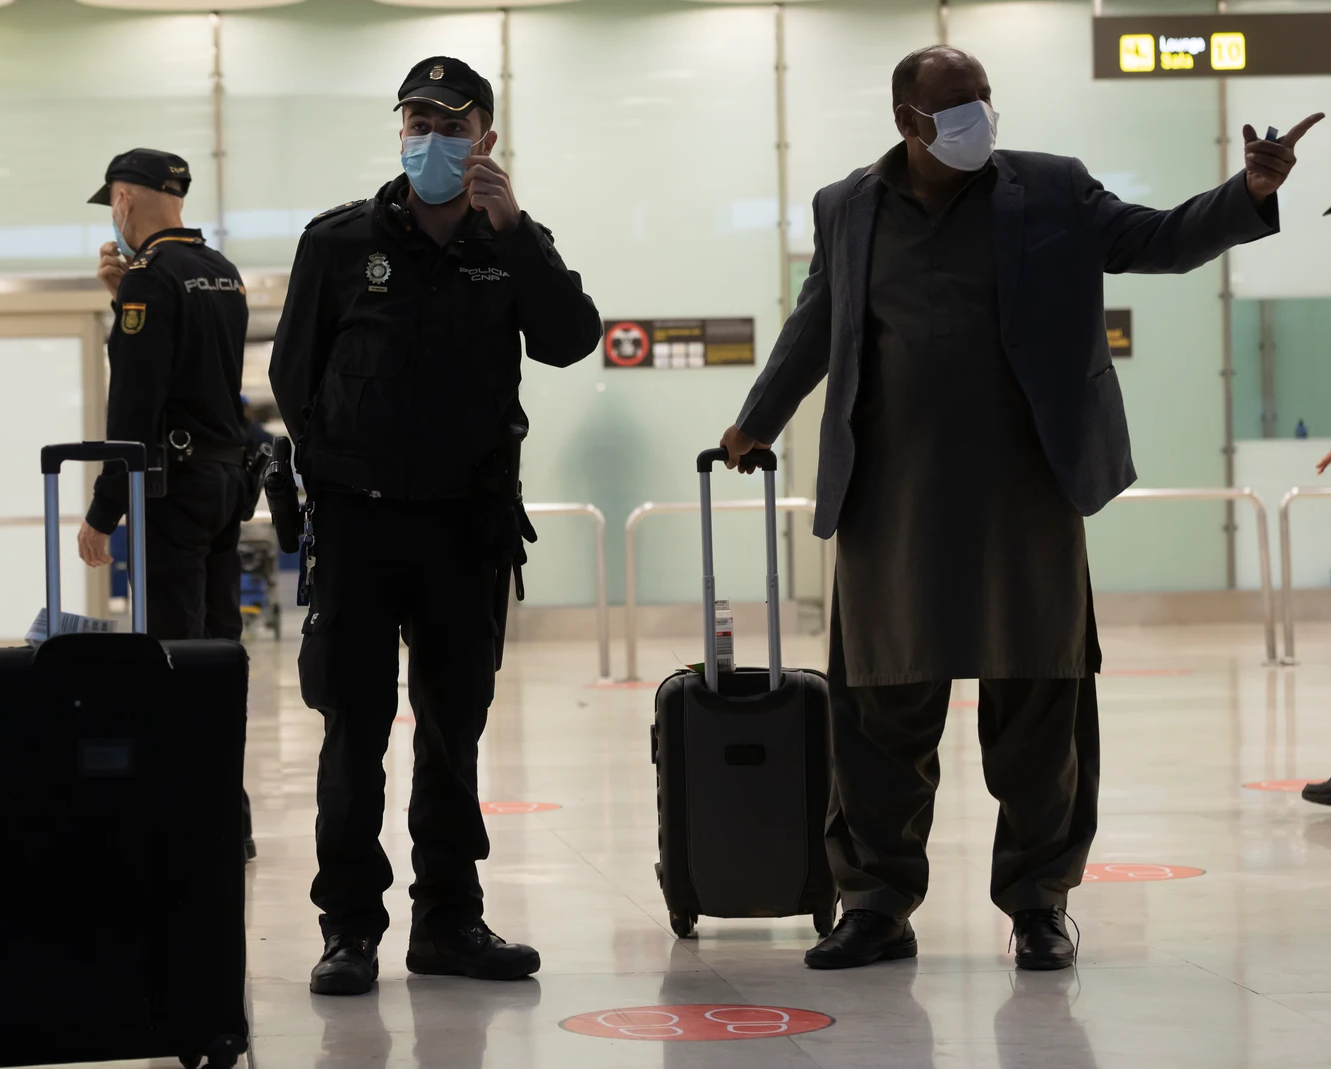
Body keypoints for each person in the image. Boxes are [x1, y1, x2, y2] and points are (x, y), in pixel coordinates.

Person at [718, 45, 1319, 971]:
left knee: (1041, 704)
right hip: (892, 498)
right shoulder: (847, 206)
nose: (976, 119)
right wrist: (756, 421)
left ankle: (1038, 902)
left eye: (982, 100)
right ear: (907, 122)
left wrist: (1248, 191)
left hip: (1026, 491)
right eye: (954, 106)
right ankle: (876, 903)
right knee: (880, 712)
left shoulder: (1051, 190)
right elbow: (818, 323)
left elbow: (1158, 240)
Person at [270, 56, 603, 996]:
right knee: (354, 728)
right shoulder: (338, 242)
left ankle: (449, 921)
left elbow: (571, 337)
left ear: (485, 142)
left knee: (455, 729)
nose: (430, 138)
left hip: (467, 529)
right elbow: (295, 377)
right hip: (361, 529)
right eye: (416, 120)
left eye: (451, 124)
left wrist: (519, 230)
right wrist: (343, 469)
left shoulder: (507, 245)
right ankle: (349, 928)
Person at [72, 149, 256, 858]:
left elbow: (138, 405)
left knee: (171, 654)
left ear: (124, 200)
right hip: (222, 484)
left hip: (172, 490)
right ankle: (226, 808)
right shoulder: (222, 271)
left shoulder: (153, 277)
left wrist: (103, 508)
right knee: (218, 649)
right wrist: (127, 303)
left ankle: (186, 813)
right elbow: (198, 372)